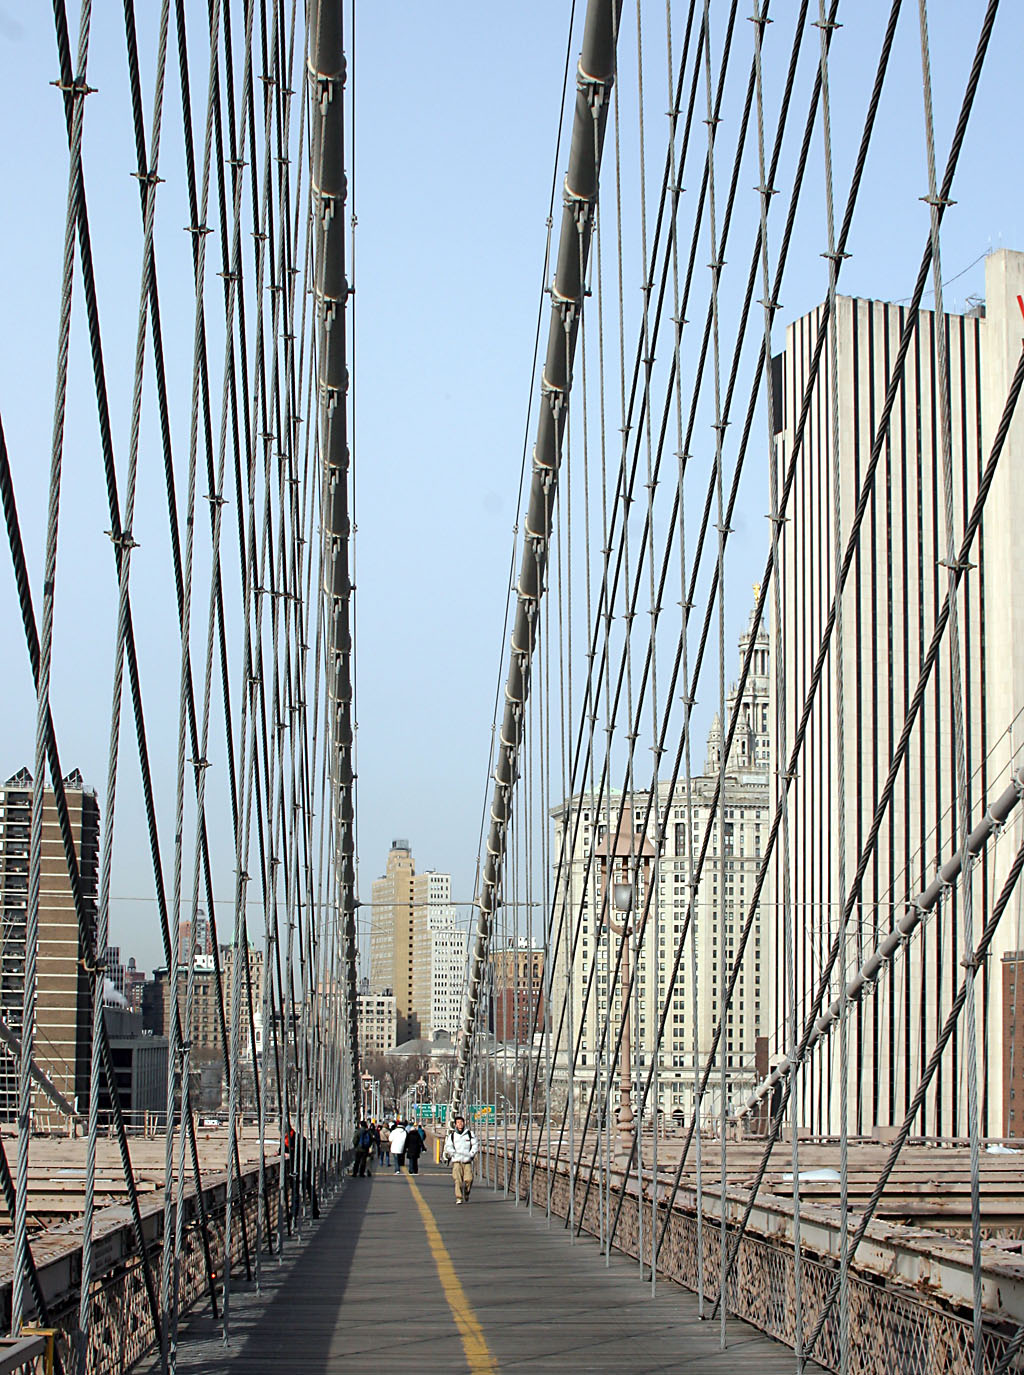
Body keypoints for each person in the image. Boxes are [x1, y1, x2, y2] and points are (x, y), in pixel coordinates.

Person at [442, 1113, 479, 1204]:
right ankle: (459, 1197)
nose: (460, 1124)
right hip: (457, 1161)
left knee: (469, 1179)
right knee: (457, 1180)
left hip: (467, 1161)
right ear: (455, 1124)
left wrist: (471, 1154)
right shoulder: (452, 1136)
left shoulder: (469, 1134)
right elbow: (448, 1146)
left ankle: (466, 1192)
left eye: (461, 1122)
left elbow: (475, 1145)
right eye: (458, 1122)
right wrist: (453, 1153)